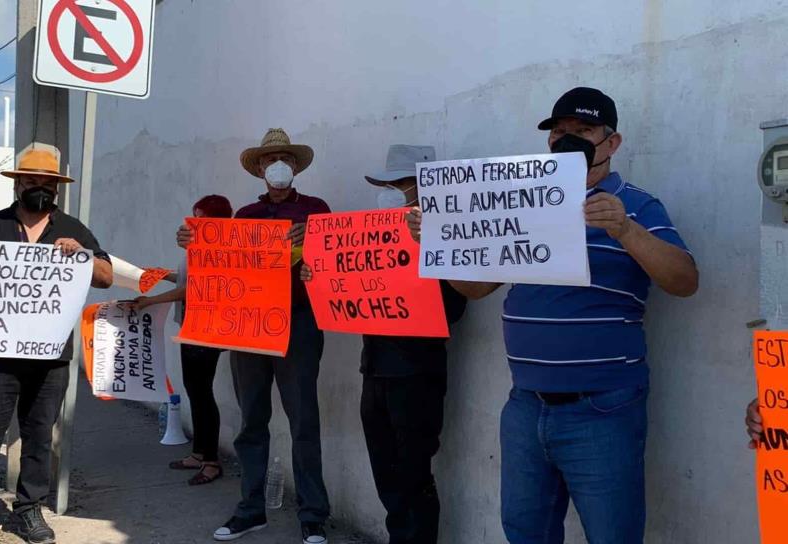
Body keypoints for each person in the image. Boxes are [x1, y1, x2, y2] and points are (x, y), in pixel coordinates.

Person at [408, 87, 699, 543]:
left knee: (612, 535)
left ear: (612, 142)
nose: (569, 140)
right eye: (560, 132)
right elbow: (478, 288)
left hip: (603, 408)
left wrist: (625, 229)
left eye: (583, 131)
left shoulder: (639, 205)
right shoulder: (523, 201)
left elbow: (684, 280)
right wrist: (440, 246)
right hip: (525, 406)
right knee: (526, 532)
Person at [301, 144, 468, 544]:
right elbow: (352, 292)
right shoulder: (370, 238)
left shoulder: (447, 233)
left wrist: (432, 246)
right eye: (389, 183)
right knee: (386, 472)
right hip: (373, 368)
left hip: (417, 374)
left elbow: (455, 307)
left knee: (413, 474)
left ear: (425, 188)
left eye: (402, 183)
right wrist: (317, 275)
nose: (392, 190)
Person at [177, 128, 332, 544]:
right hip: (250, 327)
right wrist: (194, 244)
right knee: (251, 421)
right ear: (259, 169)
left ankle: (313, 515)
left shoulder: (318, 210)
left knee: (303, 420)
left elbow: (337, 265)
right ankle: (250, 509)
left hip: (299, 323)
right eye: (268, 160)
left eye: (284, 158)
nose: (276, 165)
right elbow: (221, 265)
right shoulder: (244, 216)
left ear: (295, 167)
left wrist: (313, 246)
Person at [0, 146, 113, 544]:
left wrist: (83, 258)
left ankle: (29, 510)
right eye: (32, 181)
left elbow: (107, 276)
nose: (39, 188)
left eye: (47, 183)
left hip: (51, 356)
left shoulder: (72, 229)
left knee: (40, 434)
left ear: (57, 188)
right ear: (18, 184)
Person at [135, 194, 233, 486]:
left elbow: (190, 289)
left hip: (208, 329)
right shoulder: (197, 246)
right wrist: (162, 275)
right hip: (190, 326)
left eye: (201, 217)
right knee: (194, 390)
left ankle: (212, 461)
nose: (195, 222)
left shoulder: (219, 249)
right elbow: (184, 280)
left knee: (203, 394)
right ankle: (199, 453)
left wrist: (150, 301)